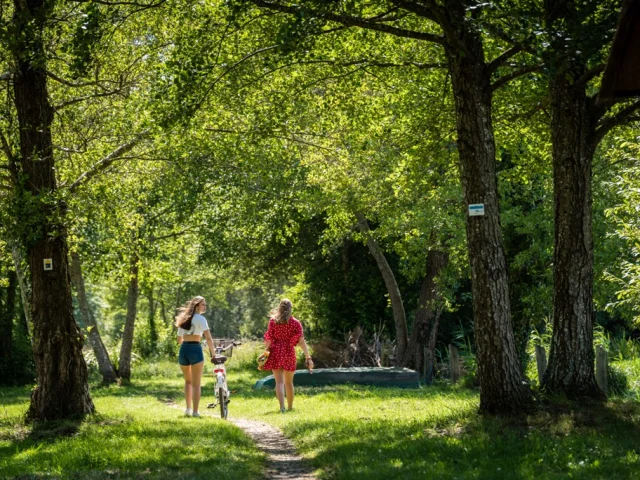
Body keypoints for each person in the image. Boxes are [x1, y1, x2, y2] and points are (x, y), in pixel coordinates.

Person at [263, 298, 313, 413]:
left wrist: (265, 353)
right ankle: (290, 407)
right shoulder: (295, 323)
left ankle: (282, 408)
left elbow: (269, 340)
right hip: (289, 352)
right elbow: (301, 341)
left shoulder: (273, 321)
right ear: (291, 309)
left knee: (279, 382)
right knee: (289, 382)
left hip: (275, 352)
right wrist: (307, 356)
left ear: (279, 307)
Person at [176, 296, 215, 417]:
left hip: (184, 350)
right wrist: (213, 354)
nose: (205, 307)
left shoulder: (184, 319)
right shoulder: (201, 319)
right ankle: (195, 411)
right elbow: (208, 338)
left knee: (188, 381)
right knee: (196, 383)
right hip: (195, 349)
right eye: (203, 304)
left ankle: (188, 409)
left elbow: (179, 340)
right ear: (197, 305)